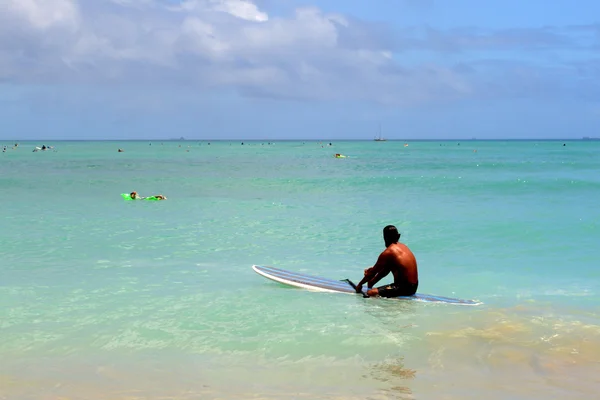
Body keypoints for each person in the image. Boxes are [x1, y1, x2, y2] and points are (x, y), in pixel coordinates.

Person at [355, 225, 418, 297]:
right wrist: (372, 282)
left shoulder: (388, 252)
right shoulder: (403, 247)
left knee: (370, 293)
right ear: (398, 236)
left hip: (403, 288)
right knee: (389, 267)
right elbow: (385, 270)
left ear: (385, 238)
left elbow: (372, 273)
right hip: (413, 287)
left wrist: (360, 284)